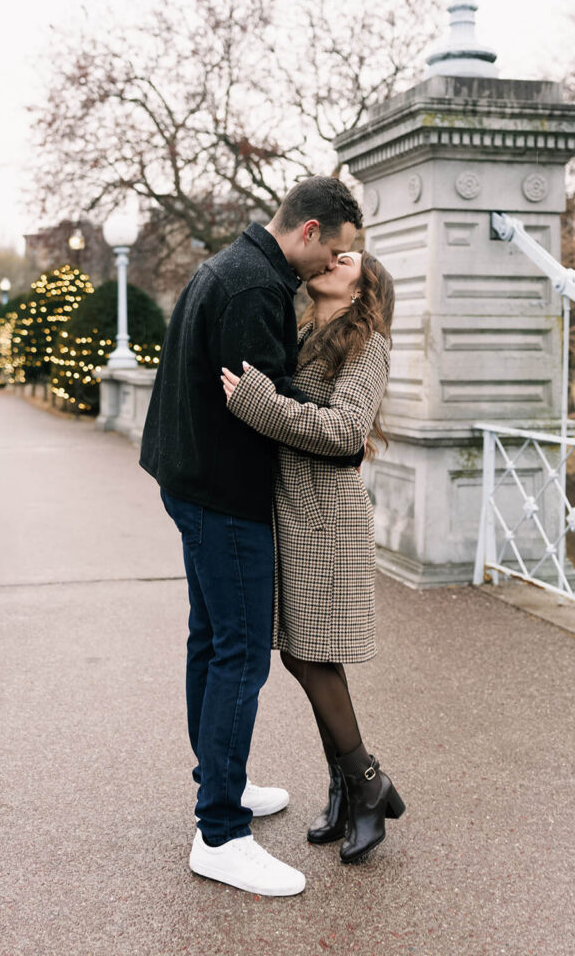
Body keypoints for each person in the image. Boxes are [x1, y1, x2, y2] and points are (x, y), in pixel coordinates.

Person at [139, 176, 363, 896]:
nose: (332, 267)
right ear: (308, 232)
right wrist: (344, 437)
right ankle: (220, 834)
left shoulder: (229, 267)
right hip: (225, 495)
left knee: (210, 641)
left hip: (190, 482)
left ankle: (220, 788)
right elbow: (264, 398)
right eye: (334, 252)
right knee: (239, 655)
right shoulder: (255, 289)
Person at [220, 249, 404, 865]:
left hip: (326, 514)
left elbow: (345, 430)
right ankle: (348, 786)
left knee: (310, 652)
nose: (330, 258)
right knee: (306, 652)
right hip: (294, 509)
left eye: (346, 258)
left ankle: (368, 782)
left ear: (362, 289)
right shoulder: (304, 332)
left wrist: (257, 402)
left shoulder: (366, 342)